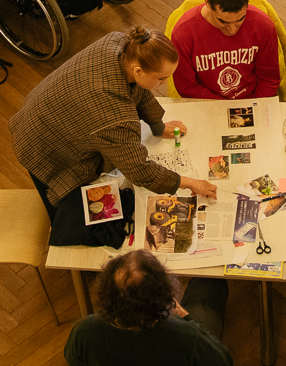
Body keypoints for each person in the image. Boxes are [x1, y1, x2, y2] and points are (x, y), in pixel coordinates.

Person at [11, 27, 217, 245]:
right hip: (41, 143)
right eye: (161, 78)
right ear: (138, 71)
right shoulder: (113, 115)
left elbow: (139, 90)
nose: (164, 84)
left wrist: (157, 125)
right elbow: (139, 170)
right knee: (68, 214)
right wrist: (189, 182)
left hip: (46, 108)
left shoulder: (123, 44)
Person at [63, 251, 233, 366]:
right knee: (210, 282)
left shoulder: (85, 330)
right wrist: (185, 316)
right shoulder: (189, 336)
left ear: (105, 294)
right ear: (164, 294)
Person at [170, 0, 282, 101]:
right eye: (223, 21)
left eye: (240, 19)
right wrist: (222, 106)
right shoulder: (183, 34)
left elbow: (269, 79)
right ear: (207, 3)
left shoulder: (263, 25)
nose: (232, 30)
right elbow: (187, 87)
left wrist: (256, 106)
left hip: (253, 101)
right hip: (207, 102)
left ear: (247, 4)